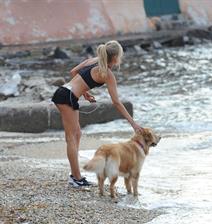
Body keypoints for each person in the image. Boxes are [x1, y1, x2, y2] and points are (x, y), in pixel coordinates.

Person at [51, 40, 143, 187]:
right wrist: (133, 123)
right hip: (66, 96)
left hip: (66, 93)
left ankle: (75, 175)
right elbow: (116, 102)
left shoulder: (95, 60)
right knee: (71, 138)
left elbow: (73, 72)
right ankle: (76, 178)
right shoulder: (107, 74)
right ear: (115, 58)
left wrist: (84, 93)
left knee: (77, 134)